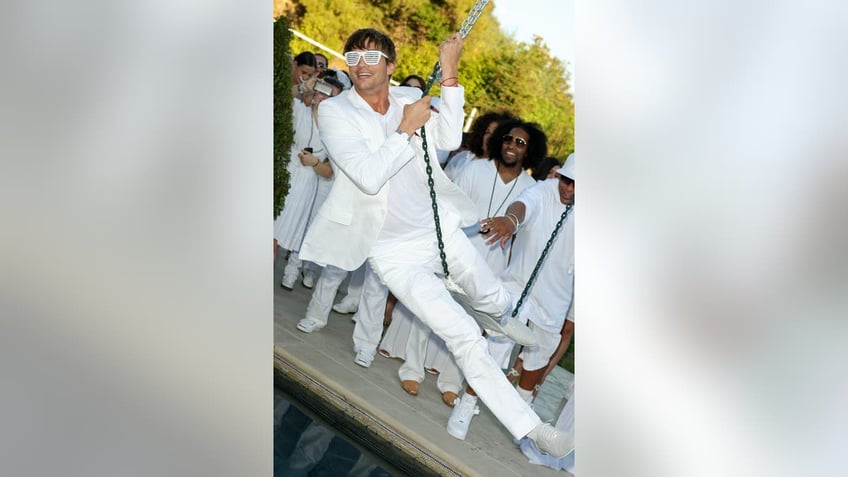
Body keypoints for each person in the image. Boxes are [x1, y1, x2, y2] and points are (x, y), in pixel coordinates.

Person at [298, 27, 571, 457]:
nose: (360, 67)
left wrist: (449, 73)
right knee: (464, 335)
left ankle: (498, 314)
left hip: (438, 229)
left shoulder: (408, 100)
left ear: (391, 66)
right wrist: (403, 132)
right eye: (353, 59)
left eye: (371, 59)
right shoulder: (335, 112)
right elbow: (368, 177)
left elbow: (446, 140)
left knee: (494, 296)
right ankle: (533, 429)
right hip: (394, 255)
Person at [396, 119, 546, 406]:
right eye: (508, 139)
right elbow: (446, 205)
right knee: (430, 309)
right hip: (453, 252)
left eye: (520, 143)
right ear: (500, 141)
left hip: (492, 267)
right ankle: (412, 370)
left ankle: (451, 383)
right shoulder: (475, 168)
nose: (512, 146)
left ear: (529, 152)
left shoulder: (531, 189)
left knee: (472, 326)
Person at [447, 154, 576, 443]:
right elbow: (523, 206)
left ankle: (522, 411)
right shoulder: (544, 190)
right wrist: (510, 220)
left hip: (555, 299)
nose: (568, 189)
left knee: (538, 357)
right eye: (566, 180)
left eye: (576, 185)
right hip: (518, 285)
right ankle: (467, 404)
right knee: (494, 346)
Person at [275, 51, 335, 290]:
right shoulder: (299, 110)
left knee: (277, 239)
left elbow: (330, 171)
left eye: (331, 95)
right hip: (284, 173)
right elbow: (279, 98)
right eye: (322, 91)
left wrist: (315, 164)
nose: (324, 97)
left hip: (305, 187)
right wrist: (304, 89)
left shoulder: (336, 134)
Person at [443, 110, 517, 180]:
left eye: (495, 135)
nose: (489, 138)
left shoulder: (502, 174)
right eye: (487, 132)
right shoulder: (463, 156)